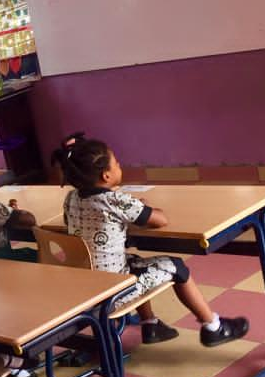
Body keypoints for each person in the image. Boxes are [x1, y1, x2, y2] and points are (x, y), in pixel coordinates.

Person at [52, 132, 249, 346]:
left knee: (135, 260)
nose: (120, 166)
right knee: (177, 267)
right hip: (111, 293)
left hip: (84, 286)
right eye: (116, 164)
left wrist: (128, 208)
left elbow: (79, 219)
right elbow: (160, 220)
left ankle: (150, 324)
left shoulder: (71, 198)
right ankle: (213, 327)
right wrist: (142, 207)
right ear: (106, 176)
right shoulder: (115, 200)